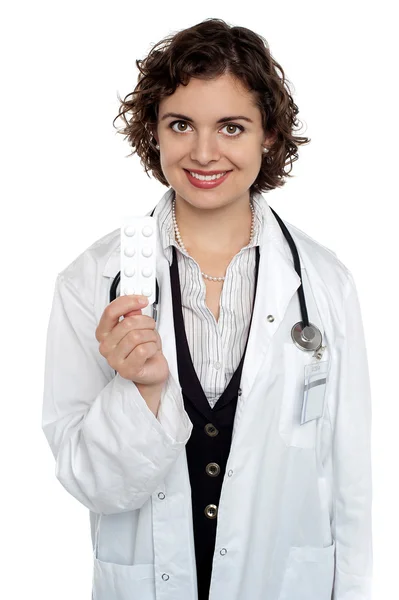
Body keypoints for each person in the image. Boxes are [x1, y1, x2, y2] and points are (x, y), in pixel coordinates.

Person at [42, 17, 373, 600]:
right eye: (181, 125)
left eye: (231, 126)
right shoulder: (89, 282)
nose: (203, 152)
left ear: (268, 134)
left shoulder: (324, 284)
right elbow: (88, 481)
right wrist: (140, 391)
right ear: (155, 132)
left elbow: (348, 479)